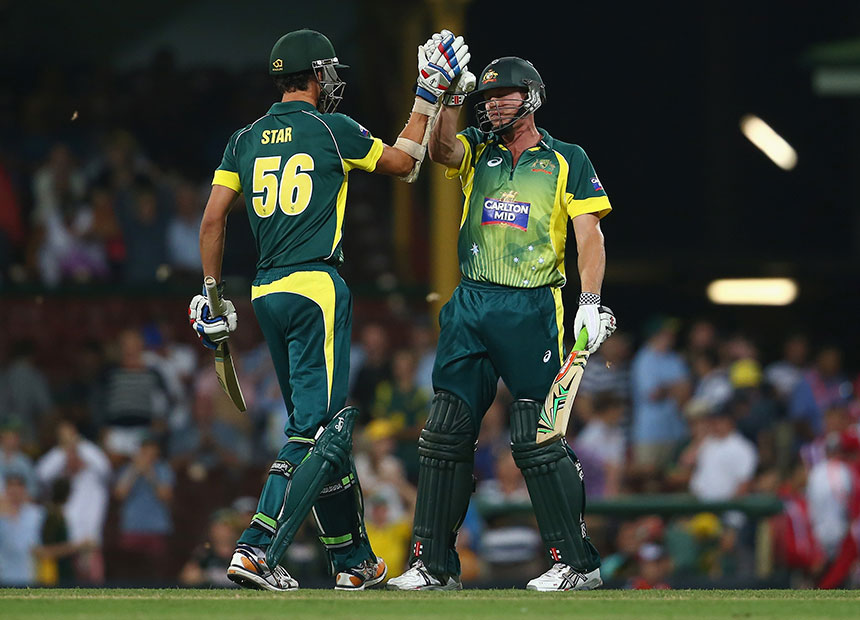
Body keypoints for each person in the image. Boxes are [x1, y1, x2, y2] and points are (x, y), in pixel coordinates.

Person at [187, 28, 470, 592]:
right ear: (316, 76)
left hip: (265, 292)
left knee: (324, 426)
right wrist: (426, 96)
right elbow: (404, 164)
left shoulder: (244, 139)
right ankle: (256, 550)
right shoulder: (329, 127)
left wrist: (212, 292)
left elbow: (214, 217)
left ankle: (353, 561)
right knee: (319, 430)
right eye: (329, 72)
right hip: (316, 282)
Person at [387, 49, 616, 592]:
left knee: (536, 436)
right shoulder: (477, 149)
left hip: (532, 305)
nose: (492, 106)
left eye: (502, 96)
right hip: (471, 301)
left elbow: (589, 235)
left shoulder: (567, 159)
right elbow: (440, 149)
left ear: (530, 97)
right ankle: (434, 565)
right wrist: (445, 97)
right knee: (445, 431)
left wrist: (589, 302)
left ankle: (576, 565)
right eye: (485, 98)